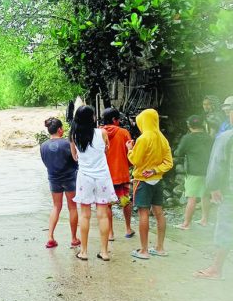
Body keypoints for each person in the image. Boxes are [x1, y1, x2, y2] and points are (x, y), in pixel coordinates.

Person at [70, 105, 117, 261]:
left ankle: (83, 252)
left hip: (84, 178)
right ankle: (104, 252)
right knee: (102, 215)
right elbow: (106, 150)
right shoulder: (102, 133)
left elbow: (75, 157)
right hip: (102, 177)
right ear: (92, 118)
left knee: (85, 215)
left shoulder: (74, 135)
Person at [194, 96, 233, 280]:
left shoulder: (226, 137)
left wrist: (213, 187)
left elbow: (217, 164)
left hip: (230, 191)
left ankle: (216, 269)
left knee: (225, 227)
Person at [127, 109, 173, 260]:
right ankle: (160, 248)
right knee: (159, 212)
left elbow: (135, 161)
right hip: (157, 180)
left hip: (142, 181)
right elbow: (169, 163)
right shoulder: (162, 138)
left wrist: (130, 150)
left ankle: (144, 250)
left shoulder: (143, 138)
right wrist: (155, 170)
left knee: (143, 213)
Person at [39, 117, 80, 249]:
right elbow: (75, 160)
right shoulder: (67, 143)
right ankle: (73, 238)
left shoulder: (43, 146)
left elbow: (45, 163)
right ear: (60, 129)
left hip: (54, 178)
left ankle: (50, 237)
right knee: (72, 207)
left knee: (56, 207)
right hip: (69, 178)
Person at [101, 108, 136, 240]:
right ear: (114, 120)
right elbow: (130, 154)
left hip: (105, 175)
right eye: (118, 119)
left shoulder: (99, 133)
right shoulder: (123, 132)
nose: (119, 121)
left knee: (107, 204)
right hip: (121, 173)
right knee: (125, 201)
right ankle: (128, 229)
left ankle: (110, 233)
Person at [174, 115, 214, 229]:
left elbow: (179, 152)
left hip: (193, 172)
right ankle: (204, 220)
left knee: (191, 197)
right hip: (207, 171)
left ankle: (186, 223)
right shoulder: (208, 137)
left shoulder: (188, 138)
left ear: (189, 125)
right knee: (205, 195)